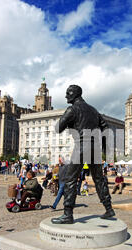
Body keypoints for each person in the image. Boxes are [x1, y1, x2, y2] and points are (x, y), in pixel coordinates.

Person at [51, 85, 115, 223]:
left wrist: (69, 123)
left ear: (75, 94)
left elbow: (58, 128)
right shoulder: (94, 110)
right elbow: (106, 129)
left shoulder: (72, 109)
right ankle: (109, 208)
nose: (66, 96)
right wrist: (105, 150)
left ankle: (68, 214)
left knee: (70, 180)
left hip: (82, 145)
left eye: (68, 93)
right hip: (95, 147)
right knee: (99, 179)